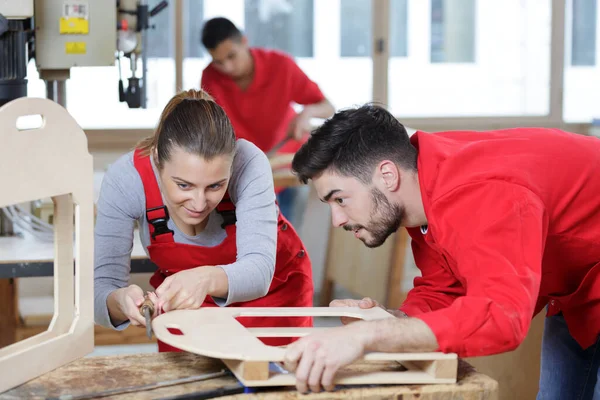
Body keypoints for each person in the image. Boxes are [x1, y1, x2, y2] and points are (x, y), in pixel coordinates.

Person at [284, 104, 600, 398]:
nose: (337, 220)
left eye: (340, 199)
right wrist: (395, 321)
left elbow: (502, 316)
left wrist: (370, 337)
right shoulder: (424, 186)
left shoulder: (480, 193)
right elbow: (443, 287)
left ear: (387, 175)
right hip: (578, 288)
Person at [94, 89, 313, 352]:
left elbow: (259, 270)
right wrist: (119, 301)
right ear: (157, 160)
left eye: (215, 186)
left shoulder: (249, 163)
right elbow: (100, 292)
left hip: (274, 299)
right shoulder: (126, 180)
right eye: (184, 185)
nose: (199, 204)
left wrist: (206, 279)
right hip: (189, 306)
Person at [199, 17, 335, 229]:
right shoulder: (210, 77)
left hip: (289, 168)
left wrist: (306, 114)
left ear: (244, 41)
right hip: (246, 173)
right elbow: (211, 131)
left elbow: (327, 107)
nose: (226, 66)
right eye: (218, 61)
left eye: (231, 56)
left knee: (290, 242)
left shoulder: (281, 65)